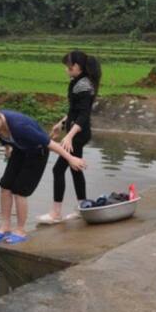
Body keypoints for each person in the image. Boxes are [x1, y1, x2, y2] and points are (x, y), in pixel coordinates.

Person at [0, 97, 87, 245]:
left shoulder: (20, 126)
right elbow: (3, 137)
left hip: (37, 152)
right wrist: (7, 148)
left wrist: (71, 159)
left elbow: (50, 143)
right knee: (5, 186)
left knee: (20, 191)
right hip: (20, 149)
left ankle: (20, 230)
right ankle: (5, 227)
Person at [37, 50, 101, 224]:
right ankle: (83, 207)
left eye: (68, 66)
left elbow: (83, 115)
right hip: (76, 132)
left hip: (78, 134)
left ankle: (55, 214)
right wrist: (61, 124)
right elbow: (74, 112)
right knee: (75, 168)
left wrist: (70, 136)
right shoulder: (78, 82)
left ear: (77, 67)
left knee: (58, 170)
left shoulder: (83, 85)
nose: (66, 69)